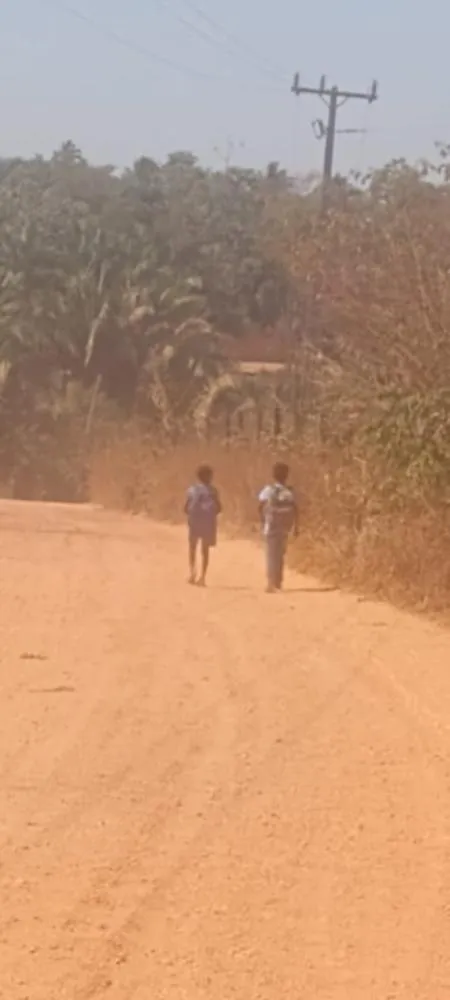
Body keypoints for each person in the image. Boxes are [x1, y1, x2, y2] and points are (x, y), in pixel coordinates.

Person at [258, 461, 298, 593]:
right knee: (280, 554)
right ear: (287, 475)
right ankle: (278, 581)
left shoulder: (268, 490)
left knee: (271, 554)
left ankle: (271, 582)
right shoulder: (289, 492)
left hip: (271, 526)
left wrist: (262, 521)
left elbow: (260, 506)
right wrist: (296, 527)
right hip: (284, 527)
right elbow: (295, 510)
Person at [184, 465, 222, 586]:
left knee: (192, 547)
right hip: (208, 523)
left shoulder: (192, 489)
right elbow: (219, 508)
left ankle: (192, 572)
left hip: (195, 521)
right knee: (205, 550)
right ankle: (203, 576)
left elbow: (185, 508)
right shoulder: (213, 491)